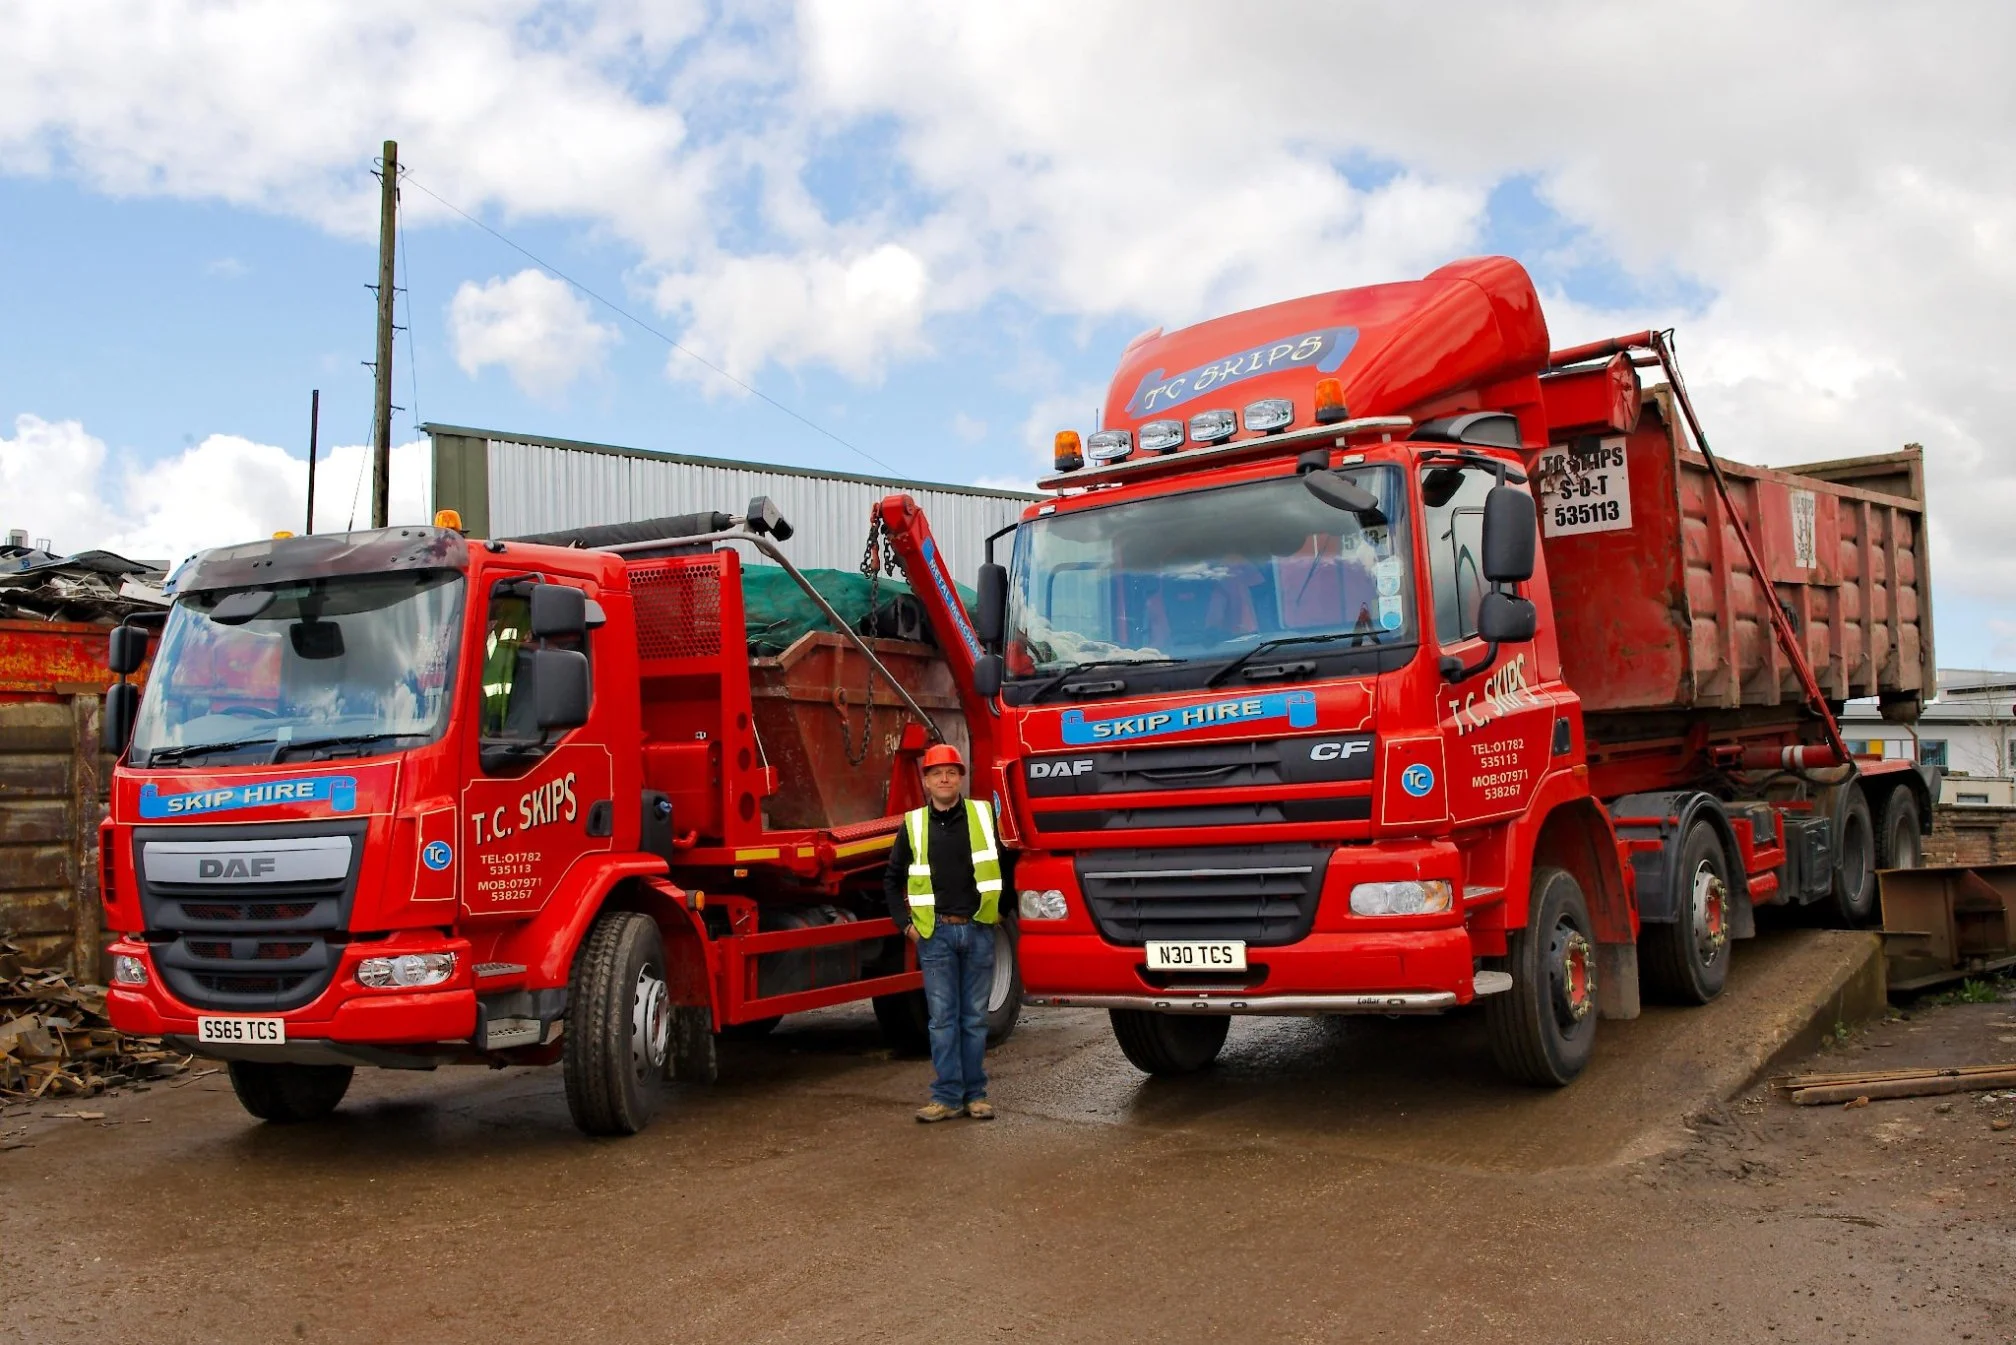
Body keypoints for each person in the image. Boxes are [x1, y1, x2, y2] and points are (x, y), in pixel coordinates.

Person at [883, 742, 1003, 1122]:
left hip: (979, 931)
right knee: (943, 1020)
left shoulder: (983, 816)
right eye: (937, 773)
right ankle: (947, 1097)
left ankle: (976, 1096)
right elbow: (891, 878)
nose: (945, 779)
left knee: (974, 1019)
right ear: (927, 782)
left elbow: (1010, 864)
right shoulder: (914, 824)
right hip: (935, 937)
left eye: (951, 772)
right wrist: (906, 927)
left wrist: (1002, 912)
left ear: (961, 778)